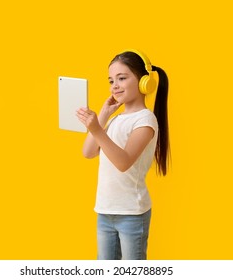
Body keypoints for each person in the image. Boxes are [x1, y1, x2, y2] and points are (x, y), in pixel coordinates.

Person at [76, 49, 170, 260]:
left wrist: (98, 130)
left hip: (131, 214)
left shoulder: (145, 120)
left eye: (122, 78)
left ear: (144, 81)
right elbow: (88, 152)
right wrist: (103, 115)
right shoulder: (115, 119)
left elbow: (123, 162)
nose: (114, 86)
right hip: (105, 209)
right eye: (111, 80)